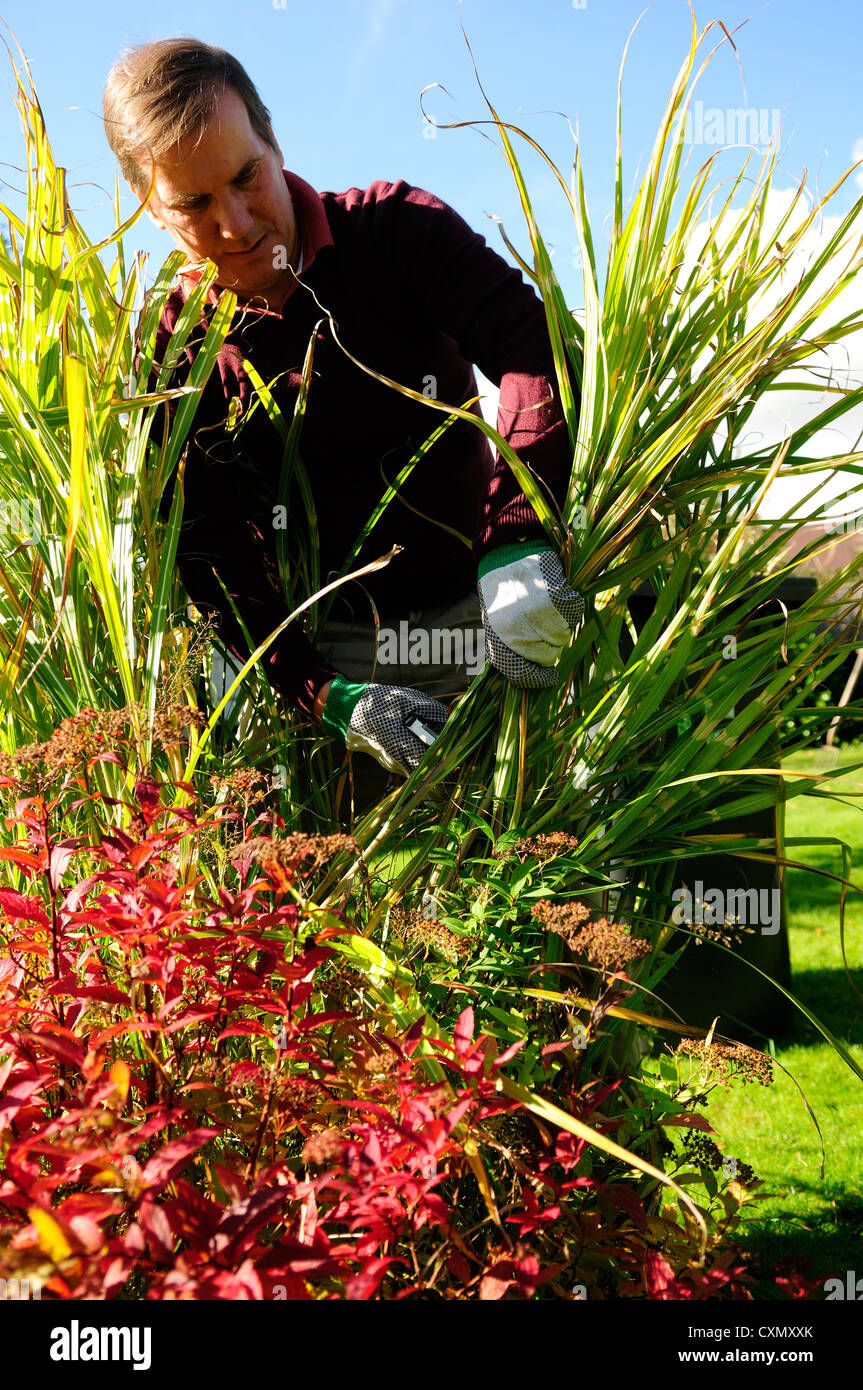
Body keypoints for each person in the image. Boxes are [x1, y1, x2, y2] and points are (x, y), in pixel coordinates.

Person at [102, 38, 584, 782]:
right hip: (332, 653)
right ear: (149, 209)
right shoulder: (177, 354)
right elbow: (212, 557)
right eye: (194, 204)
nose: (235, 225)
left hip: (485, 605)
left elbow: (532, 347)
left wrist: (517, 535)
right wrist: (330, 697)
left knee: (535, 850)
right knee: (344, 893)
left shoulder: (396, 232)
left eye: (245, 177)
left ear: (273, 141)